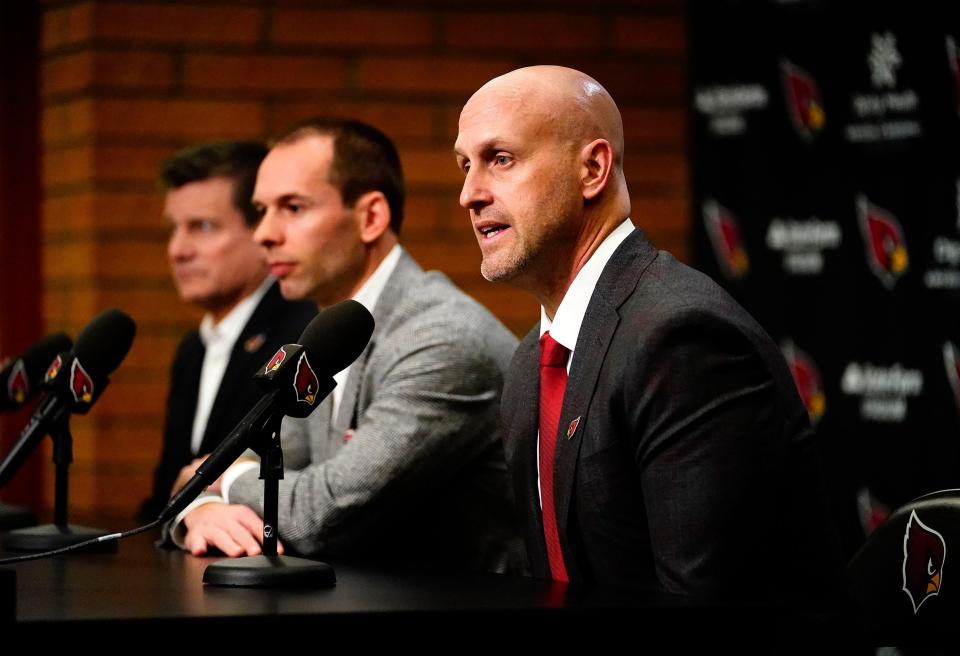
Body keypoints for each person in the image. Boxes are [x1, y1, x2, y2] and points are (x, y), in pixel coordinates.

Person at [454, 66, 843, 599]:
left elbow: (701, 609)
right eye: (464, 166)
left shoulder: (680, 338)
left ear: (592, 168)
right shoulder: (531, 363)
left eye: (501, 159)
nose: (469, 194)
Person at [171, 118, 523, 574]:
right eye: (261, 211)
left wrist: (221, 480)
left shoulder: (440, 338)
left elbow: (323, 512)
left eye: (292, 208)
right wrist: (199, 512)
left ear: (370, 217)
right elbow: (264, 461)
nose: (264, 235)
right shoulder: (330, 334)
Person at [138, 142, 315, 521]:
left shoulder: (302, 334)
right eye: (174, 229)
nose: (178, 250)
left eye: (202, 227)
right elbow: (167, 494)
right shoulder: (193, 347)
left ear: (261, 232)